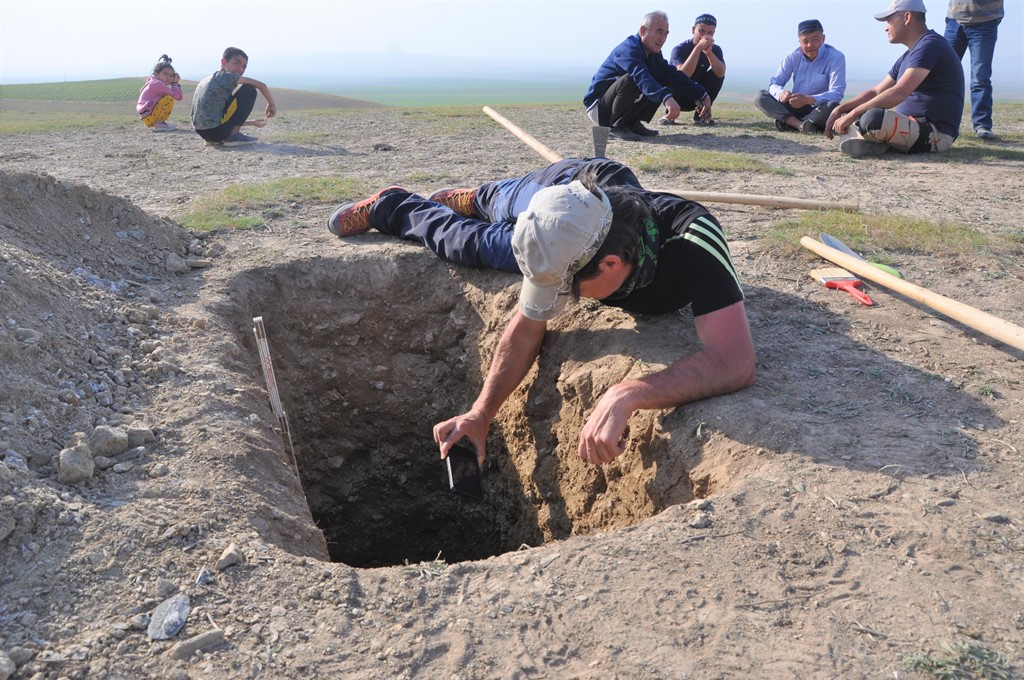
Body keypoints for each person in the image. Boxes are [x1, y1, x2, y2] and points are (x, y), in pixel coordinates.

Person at [326, 158, 756, 466]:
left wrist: (628, 392)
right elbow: (526, 328)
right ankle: (401, 206)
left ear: (609, 264)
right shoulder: (560, 251)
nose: (558, 296)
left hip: (594, 196)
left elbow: (734, 361)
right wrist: (481, 413)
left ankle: (459, 200)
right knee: (470, 241)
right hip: (569, 186)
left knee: (485, 237)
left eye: (562, 288)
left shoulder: (693, 243)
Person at [826, 0, 965, 158]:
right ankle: (870, 139)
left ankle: (867, 138)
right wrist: (840, 110)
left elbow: (900, 92)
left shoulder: (930, 45)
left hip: (934, 134)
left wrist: (852, 114)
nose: (886, 27)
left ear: (907, 17)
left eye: (889, 20)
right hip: (910, 127)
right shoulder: (910, 54)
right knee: (838, 111)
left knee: (872, 118)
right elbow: (876, 91)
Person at [583, 11, 713, 141]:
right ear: (643, 31)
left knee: (660, 77)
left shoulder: (653, 54)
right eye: (659, 31)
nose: (662, 38)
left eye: (666, 34)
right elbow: (640, 75)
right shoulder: (628, 49)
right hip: (599, 108)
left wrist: (702, 94)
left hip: (611, 106)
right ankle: (615, 126)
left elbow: (673, 74)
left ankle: (631, 123)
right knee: (633, 79)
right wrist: (666, 97)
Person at [753, 20, 846, 134]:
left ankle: (789, 122)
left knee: (832, 106)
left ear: (823, 38)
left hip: (818, 108)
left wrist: (808, 99)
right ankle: (801, 125)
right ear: (799, 42)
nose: (810, 45)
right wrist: (781, 93)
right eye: (805, 41)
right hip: (794, 105)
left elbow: (837, 93)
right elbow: (775, 83)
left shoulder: (836, 57)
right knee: (760, 96)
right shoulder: (792, 56)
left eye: (815, 39)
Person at [190, 47, 277, 146]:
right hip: (216, 132)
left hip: (204, 133)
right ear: (224, 61)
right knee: (249, 90)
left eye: (244, 66)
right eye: (236, 63)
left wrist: (253, 123)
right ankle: (234, 136)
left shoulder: (207, 79)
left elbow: (219, 118)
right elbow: (261, 85)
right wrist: (271, 104)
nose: (240, 69)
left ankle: (222, 138)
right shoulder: (226, 77)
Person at [945, 0, 1003, 139]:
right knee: (943, 73)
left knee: (980, 78)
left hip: (984, 21)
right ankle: (940, 123)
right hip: (954, 20)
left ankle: (982, 125)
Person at [663, 13, 726, 126]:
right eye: (701, 31)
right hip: (677, 98)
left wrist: (709, 53)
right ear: (693, 30)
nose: (704, 36)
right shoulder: (679, 49)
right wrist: (697, 49)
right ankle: (670, 114)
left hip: (699, 97)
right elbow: (682, 75)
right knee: (675, 75)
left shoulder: (715, 50)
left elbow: (720, 73)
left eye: (709, 33)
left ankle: (701, 115)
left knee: (717, 74)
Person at [136, 55, 183, 132]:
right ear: (156, 74)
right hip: (149, 115)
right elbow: (177, 96)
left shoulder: (151, 82)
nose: (168, 77)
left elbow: (179, 97)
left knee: (166, 97)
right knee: (169, 98)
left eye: (171, 75)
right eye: (165, 74)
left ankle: (159, 123)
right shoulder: (157, 84)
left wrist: (175, 83)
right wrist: (175, 83)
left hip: (146, 116)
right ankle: (160, 124)